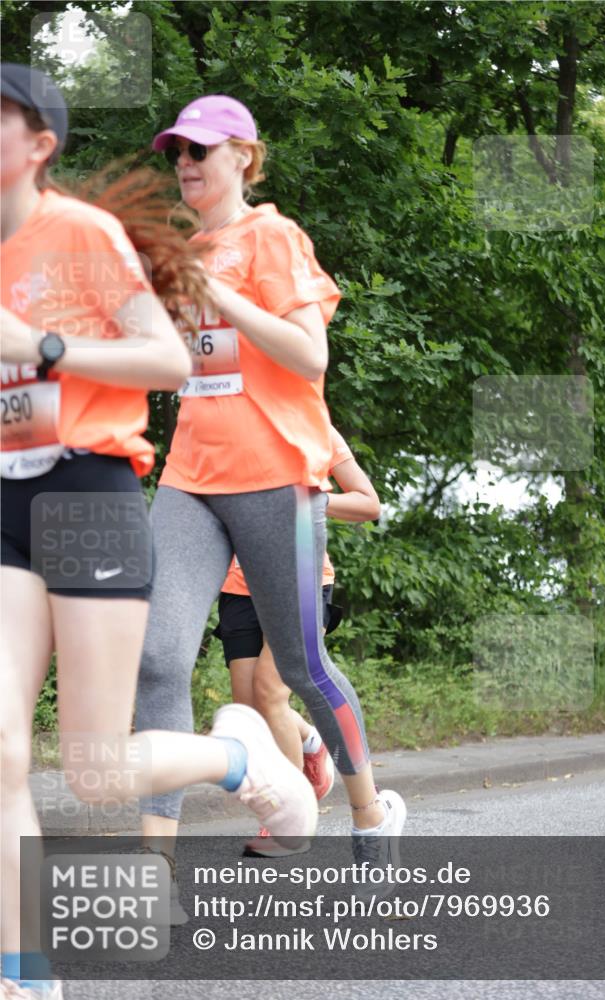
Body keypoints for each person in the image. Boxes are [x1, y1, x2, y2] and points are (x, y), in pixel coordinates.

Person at [0, 65, 316, 1000]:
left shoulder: (80, 234)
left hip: (86, 491)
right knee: (3, 753)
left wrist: (44, 347)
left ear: (38, 145)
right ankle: (27, 972)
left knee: (94, 771)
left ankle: (242, 757)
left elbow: (168, 360)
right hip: (4, 502)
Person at [135, 93, 407, 902]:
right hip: (190, 475)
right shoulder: (185, 248)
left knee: (300, 664)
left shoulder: (272, 236)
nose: (185, 164)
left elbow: (309, 355)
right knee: (155, 657)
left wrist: (221, 298)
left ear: (243, 158)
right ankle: (154, 870)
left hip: (275, 473)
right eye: (176, 152)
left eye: (200, 151)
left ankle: (367, 813)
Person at [215, 426, 382, 857]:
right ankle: (310, 740)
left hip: (301, 575)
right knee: (249, 708)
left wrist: (310, 502)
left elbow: (368, 503)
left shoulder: (315, 427)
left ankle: (291, 821)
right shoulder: (228, 425)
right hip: (239, 583)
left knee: (271, 692)